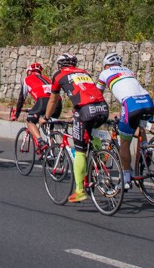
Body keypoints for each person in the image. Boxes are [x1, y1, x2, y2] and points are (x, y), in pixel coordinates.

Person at [43, 53, 110, 203]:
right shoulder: (83, 72)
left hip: (85, 110)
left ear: (60, 65)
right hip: (103, 108)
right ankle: (99, 160)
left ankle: (79, 190)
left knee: (80, 151)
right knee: (91, 135)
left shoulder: (59, 75)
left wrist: (45, 118)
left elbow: (53, 99)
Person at [97, 53, 154, 190]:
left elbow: (97, 95)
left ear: (106, 65)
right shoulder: (128, 71)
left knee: (124, 142)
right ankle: (146, 147)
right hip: (147, 101)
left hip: (130, 105)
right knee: (139, 124)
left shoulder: (105, 73)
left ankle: (126, 178)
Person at [11, 62, 59, 149]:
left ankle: (40, 141)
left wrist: (16, 114)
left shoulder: (27, 79)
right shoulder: (46, 78)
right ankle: (51, 153)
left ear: (29, 72)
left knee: (30, 120)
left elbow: (21, 99)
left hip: (43, 101)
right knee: (50, 129)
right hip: (57, 102)